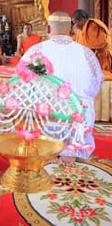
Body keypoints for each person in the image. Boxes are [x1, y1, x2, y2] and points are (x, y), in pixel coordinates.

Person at [20, 11, 103, 165]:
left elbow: (22, 81)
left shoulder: (35, 50)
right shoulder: (85, 52)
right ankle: (73, 148)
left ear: (48, 29)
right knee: (83, 103)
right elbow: (96, 84)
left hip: (47, 115)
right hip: (77, 117)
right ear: (71, 29)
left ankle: (48, 147)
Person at [71, 9, 112, 80]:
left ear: (82, 20)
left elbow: (100, 43)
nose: (74, 25)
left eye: (75, 22)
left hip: (102, 57)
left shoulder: (92, 25)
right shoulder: (81, 30)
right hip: (93, 58)